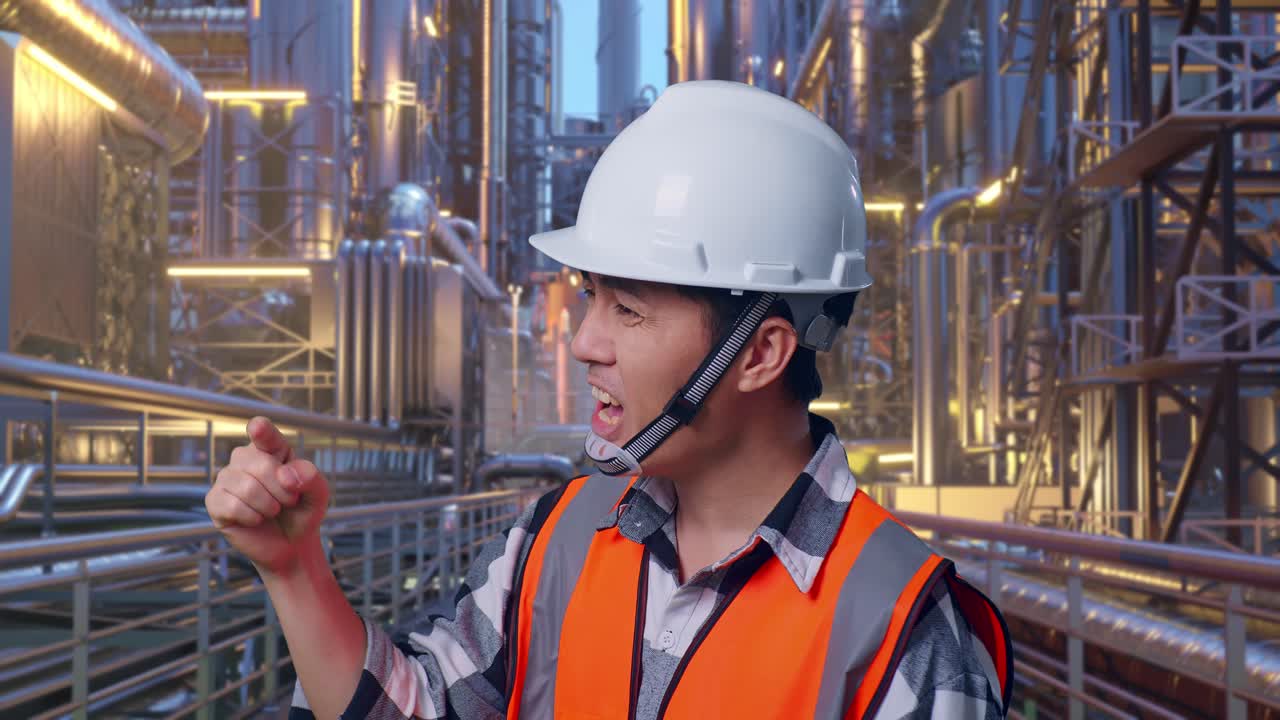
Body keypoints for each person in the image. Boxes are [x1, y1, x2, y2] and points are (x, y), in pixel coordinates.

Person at [206, 80, 1012, 719]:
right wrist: (294, 568)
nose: (587, 341)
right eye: (589, 297)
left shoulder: (905, 640)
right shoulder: (557, 538)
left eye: (626, 308)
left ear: (762, 352)